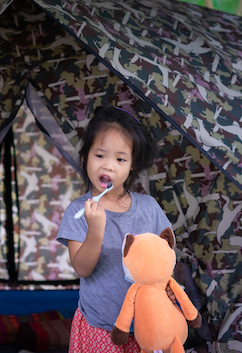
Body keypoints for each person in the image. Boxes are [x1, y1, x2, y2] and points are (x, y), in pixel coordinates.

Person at [57, 105, 172, 353]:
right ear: (85, 157)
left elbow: (165, 260)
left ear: (131, 166)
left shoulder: (149, 208)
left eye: (120, 159)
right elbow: (82, 269)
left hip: (147, 327)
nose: (108, 166)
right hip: (100, 328)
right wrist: (96, 230)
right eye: (100, 155)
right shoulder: (77, 211)